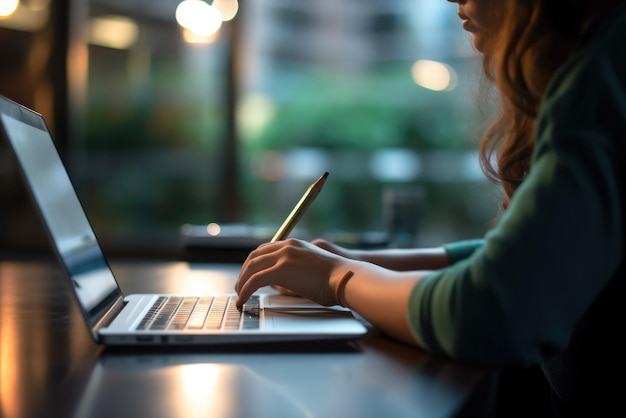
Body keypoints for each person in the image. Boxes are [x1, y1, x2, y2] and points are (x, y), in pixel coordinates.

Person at [236, 0, 626, 416]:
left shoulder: (602, 77)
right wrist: (362, 262)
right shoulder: (601, 59)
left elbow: (493, 307)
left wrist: (337, 278)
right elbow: (534, 260)